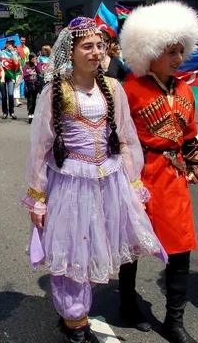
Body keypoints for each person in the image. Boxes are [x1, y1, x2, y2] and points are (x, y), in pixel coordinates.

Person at [22, 17, 166, 343]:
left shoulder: (113, 88)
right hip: (71, 183)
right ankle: (75, 321)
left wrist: (133, 184)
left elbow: (126, 138)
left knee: (93, 249)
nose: (96, 52)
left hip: (109, 181)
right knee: (73, 251)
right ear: (70, 52)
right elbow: (41, 149)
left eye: (100, 46)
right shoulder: (55, 92)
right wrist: (38, 197)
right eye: (87, 46)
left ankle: (77, 317)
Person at [119, 1, 198, 343]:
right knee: (133, 245)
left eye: (180, 51)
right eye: (170, 51)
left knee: (181, 248)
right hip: (138, 175)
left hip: (172, 178)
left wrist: (194, 158)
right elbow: (118, 139)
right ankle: (127, 305)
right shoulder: (130, 90)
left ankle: (174, 321)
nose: (177, 58)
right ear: (149, 51)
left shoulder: (186, 90)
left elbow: (188, 135)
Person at [0, 38, 20, 119]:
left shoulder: (15, 53)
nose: (11, 45)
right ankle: (4, 112)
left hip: (11, 76)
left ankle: (12, 112)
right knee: (3, 95)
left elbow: (16, 62)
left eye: (12, 44)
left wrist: (12, 52)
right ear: (6, 44)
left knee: (10, 94)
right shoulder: (0, 53)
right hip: (2, 76)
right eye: (9, 43)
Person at [23, 54, 42, 123]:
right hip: (29, 85)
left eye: (36, 58)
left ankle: (33, 114)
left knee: (34, 100)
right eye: (34, 58)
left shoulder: (38, 65)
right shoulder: (26, 66)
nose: (36, 59)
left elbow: (39, 71)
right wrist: (30, 74)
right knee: (30, 100)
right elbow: (24, 76)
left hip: (36, 85)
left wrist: (35, 64)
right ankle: (30, 115)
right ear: (31, 59)